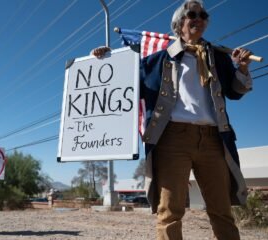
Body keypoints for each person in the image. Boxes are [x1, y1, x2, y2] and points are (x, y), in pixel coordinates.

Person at [92, 0, 252, 239]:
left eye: (203, 14)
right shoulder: (156, 61)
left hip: (213, 139)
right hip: (172, 139)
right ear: (179, 25)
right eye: (192, 14)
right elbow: (123, 86)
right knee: (170, 212)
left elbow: (235, 92)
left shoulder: (218, 58)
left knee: (222, 211)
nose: (199, 18)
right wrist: (106, 61)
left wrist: (242, 68)